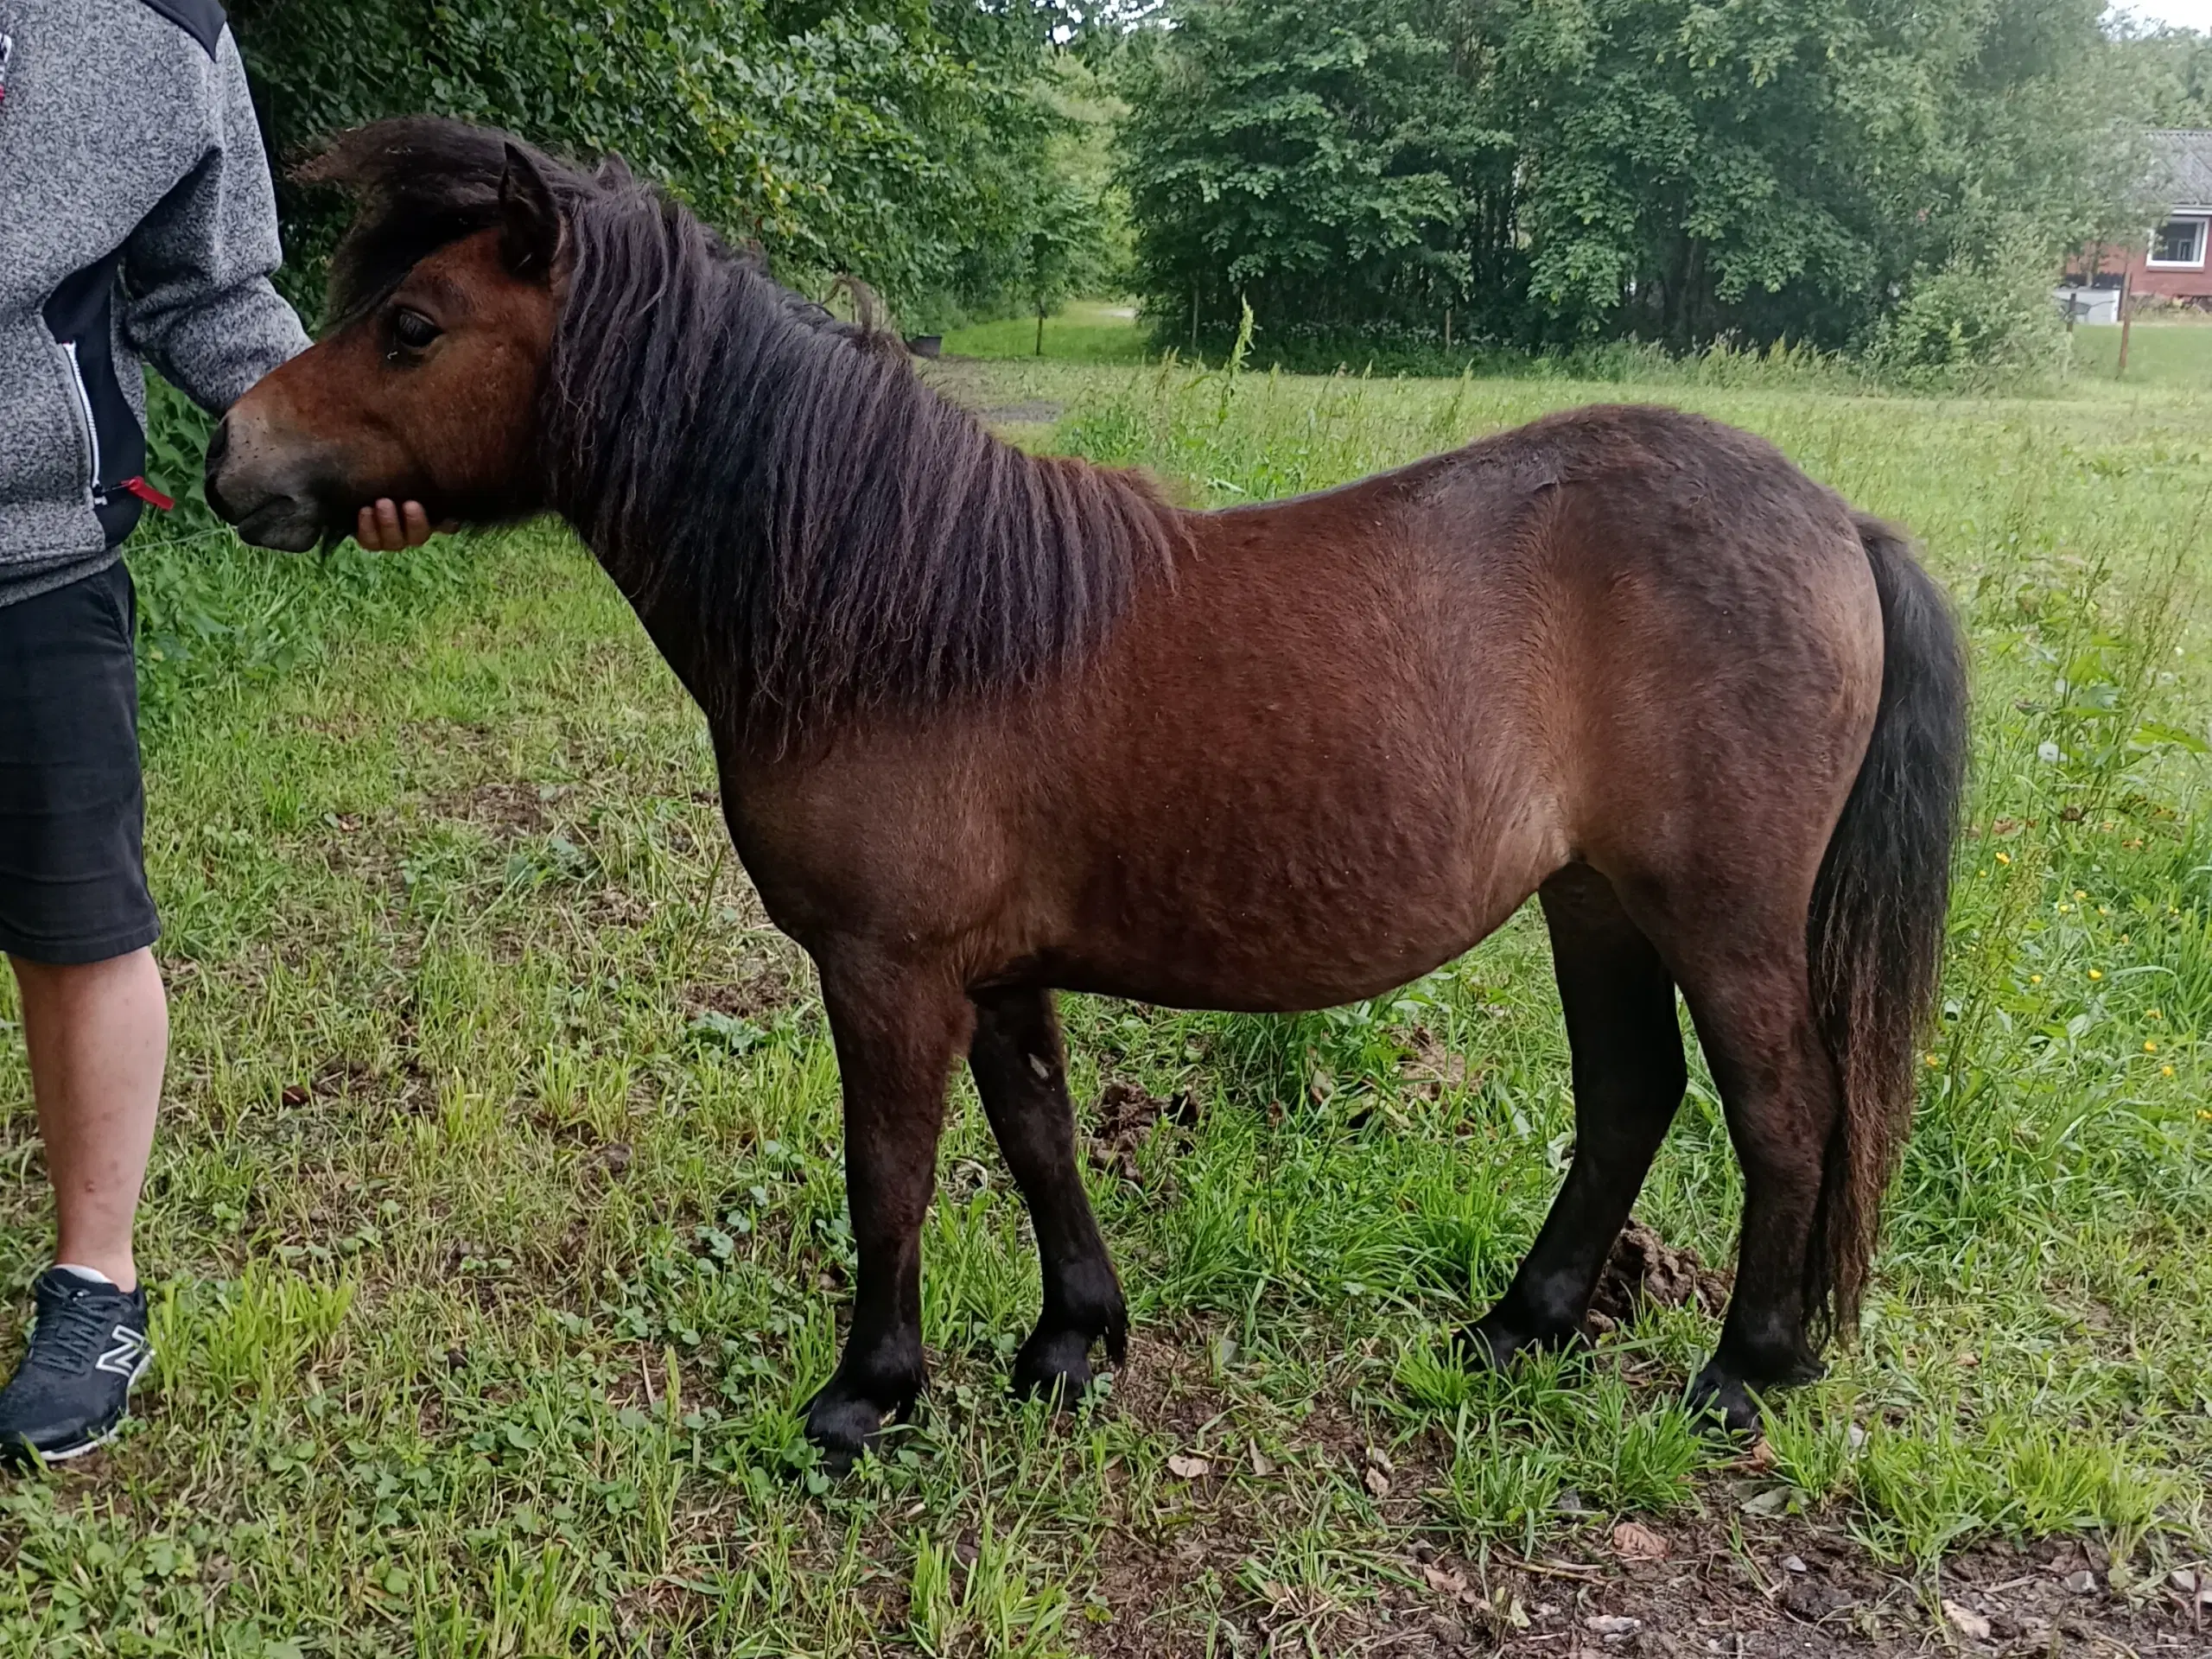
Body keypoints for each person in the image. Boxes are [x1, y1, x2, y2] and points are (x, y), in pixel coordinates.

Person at [0, 0, 439, 1463]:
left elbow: (205, 292)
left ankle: (94, 1285)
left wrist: (350, 442)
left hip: (34, 558)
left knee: (79, 929)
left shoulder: (162, 30)